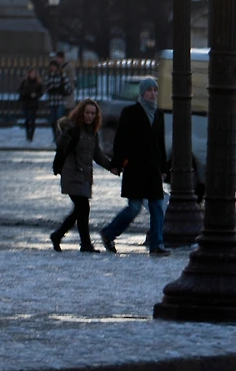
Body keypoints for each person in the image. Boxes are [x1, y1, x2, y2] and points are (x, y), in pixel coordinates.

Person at [100, 77, 170, 255]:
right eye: (149, 90)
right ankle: (109, 233)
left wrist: (163, 168)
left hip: (153, 168)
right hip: (135, 168)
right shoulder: (130, 112)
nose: (153, 94)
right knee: (134, 207)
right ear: (142, 93)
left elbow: (160, 143)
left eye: (155, 90)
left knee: (157, 207)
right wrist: (118, 163)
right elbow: (121, 139)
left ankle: (157, 244)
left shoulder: (159, 114)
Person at [50, 99, 110, 251]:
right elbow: (60, 145)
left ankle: (62, 236)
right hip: (71, 174)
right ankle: (82, 242)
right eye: (87, 113)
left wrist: (112, 167)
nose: (90, 116)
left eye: (93, 113)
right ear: (81, 113)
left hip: (84, 176)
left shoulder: (93, 132)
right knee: (82, 207)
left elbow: (97, 154)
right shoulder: (73, 129)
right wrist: (65, 134)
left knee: (81, 209)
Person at [43, 55, 73, 141]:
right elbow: (45, 87)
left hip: (60, 100)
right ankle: (55, 135)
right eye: (51, 66)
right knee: (53, 119)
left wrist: (62, 89)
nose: (52, 68)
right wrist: (51, 89)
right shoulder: (48, 76)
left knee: (59, 118)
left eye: (54, 66)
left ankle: (59, 134)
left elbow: (68, 87)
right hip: (52, 101)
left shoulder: (62, 76)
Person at [18, 69, 43, 142]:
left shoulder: (38, 83)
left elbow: (40, 92)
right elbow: (20, 90)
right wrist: (25, 94)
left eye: (33, 74)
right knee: (27, 120)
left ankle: (31, 135)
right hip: (26, 102)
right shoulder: (24, 82)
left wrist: (36, 95)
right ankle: (28, 135)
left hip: (33, 103)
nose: (32, 75)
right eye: (31, 73)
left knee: (32, 120)